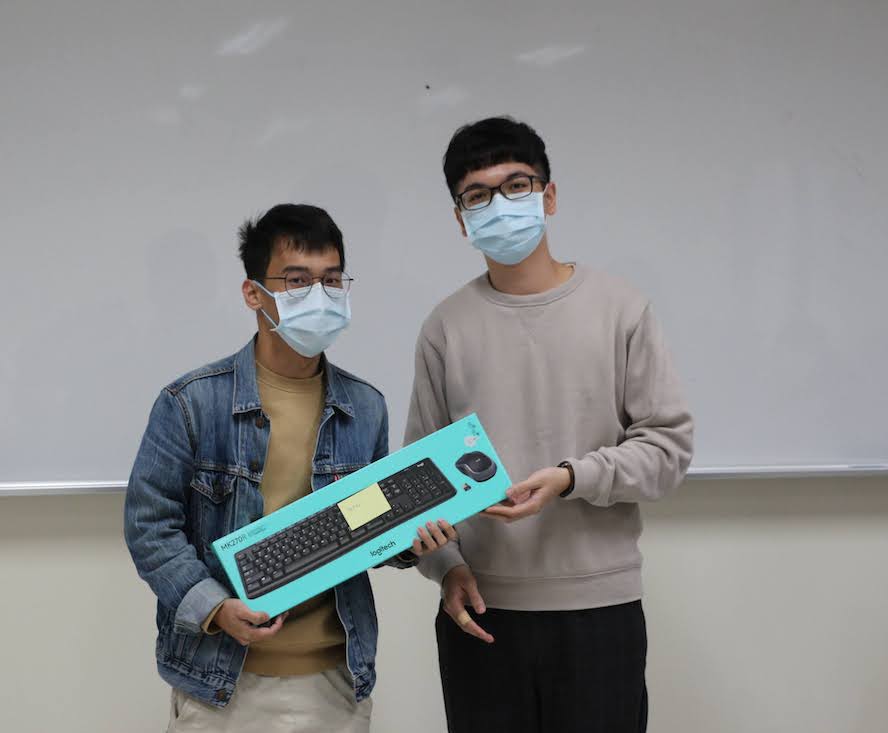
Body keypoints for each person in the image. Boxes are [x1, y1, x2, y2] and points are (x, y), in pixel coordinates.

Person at [405, 117, 695, 733]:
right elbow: (420, 482)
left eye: (516, 185)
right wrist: (446, 566)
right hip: (481, 613)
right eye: (478, 195)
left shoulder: (621, 309)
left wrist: (571, 477)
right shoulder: (445, 327)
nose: (499, 205)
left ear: (549, 195)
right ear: (461, 219)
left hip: (601, 611)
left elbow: (667, 450)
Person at [125, 203, 454, 732]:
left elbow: (367, 525)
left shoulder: (365, 406)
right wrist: (215, 608)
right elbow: (149, 526)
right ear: (253, 293)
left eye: (331, 280)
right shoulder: (191, 402)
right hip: (222, 683)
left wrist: (413, 540)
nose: (319, 296)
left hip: (335, 680)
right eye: (297, 282)